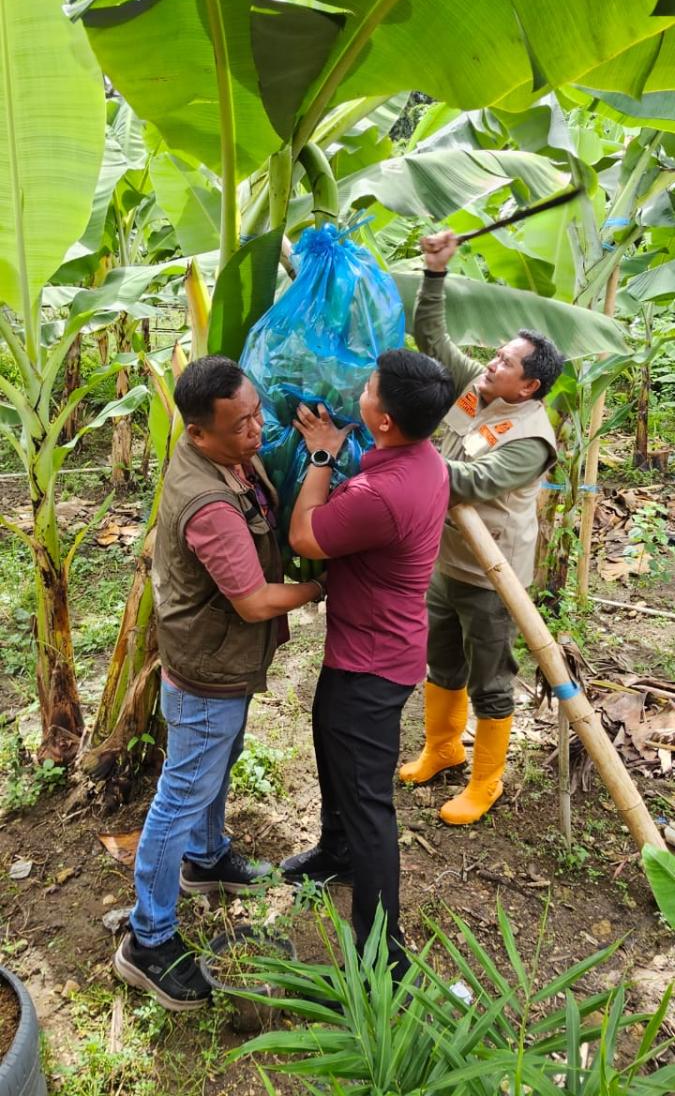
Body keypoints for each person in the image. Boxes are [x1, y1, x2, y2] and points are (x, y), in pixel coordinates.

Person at [114, 356, 326, 1011]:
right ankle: (147, 941)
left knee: (216, 762)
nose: (256, 430)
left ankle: (206, 858)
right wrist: (325, 585)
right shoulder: (207, 502)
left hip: (216, 661)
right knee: (181, 793)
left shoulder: (226, 457)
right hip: (207, 667)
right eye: (241, 425)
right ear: (200, 434)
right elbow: (255, 602)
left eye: (257, 412)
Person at [279, 348, 455, 980]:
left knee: (369, 801)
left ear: (382, 418)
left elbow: (305, 536)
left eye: (371, 386)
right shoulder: (425, 460)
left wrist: (323, 458)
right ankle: (336, 853)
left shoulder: (381, 494)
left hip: (371, 663)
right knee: (332, 748)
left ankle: (383, 952)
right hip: (374, 648)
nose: (364, 388)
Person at [399, 230, 564, 825]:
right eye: (496, 354)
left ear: (530, 386)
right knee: (440, 657)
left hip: (492, 577)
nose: (493, 362)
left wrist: (400, 450)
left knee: (491, 678)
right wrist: (435, 272)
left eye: (506, 362)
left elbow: (466, 482)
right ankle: (442, 746)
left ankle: (486, 780)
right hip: (447, 560)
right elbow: (432, 338)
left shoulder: (532, 438)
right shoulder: (481, 390)